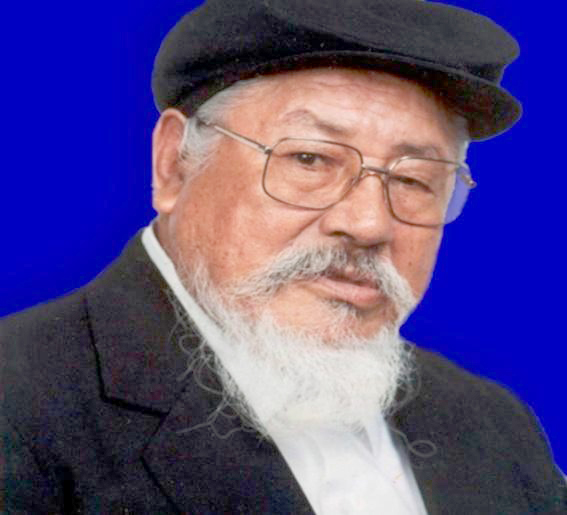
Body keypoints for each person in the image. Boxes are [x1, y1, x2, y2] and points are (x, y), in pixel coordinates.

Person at [1, 0, 565, 512]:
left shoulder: (496, 427)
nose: (368, 223)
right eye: (310, 160)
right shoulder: (21, 407)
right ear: (174, 163)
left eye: (415, 180)